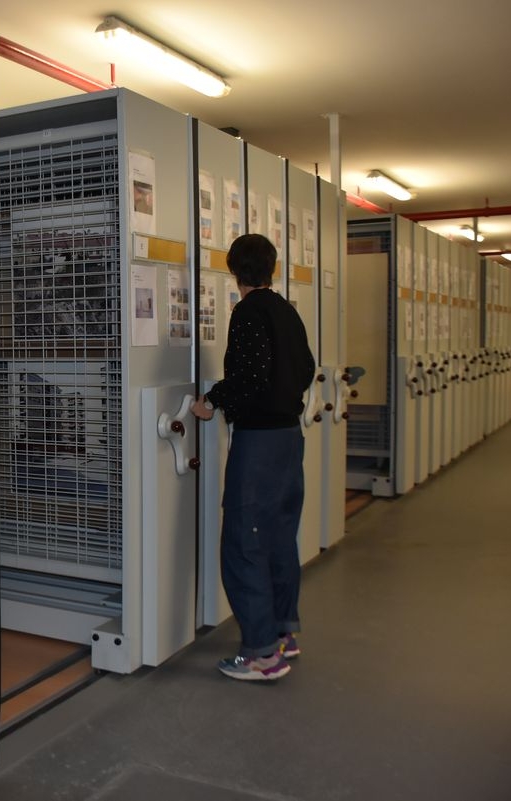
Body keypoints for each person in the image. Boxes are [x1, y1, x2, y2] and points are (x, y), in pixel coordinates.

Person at [191, 233, 315, 682]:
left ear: (233, 270)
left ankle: (262, 655)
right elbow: (306, 368)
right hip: (289, 439)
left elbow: (250, 375)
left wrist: (211, 401)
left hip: (259, 443)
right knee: (279, 538)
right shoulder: (286, 310)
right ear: (272, 268)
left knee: (245, 542)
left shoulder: (247, 312)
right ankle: (283, 632)